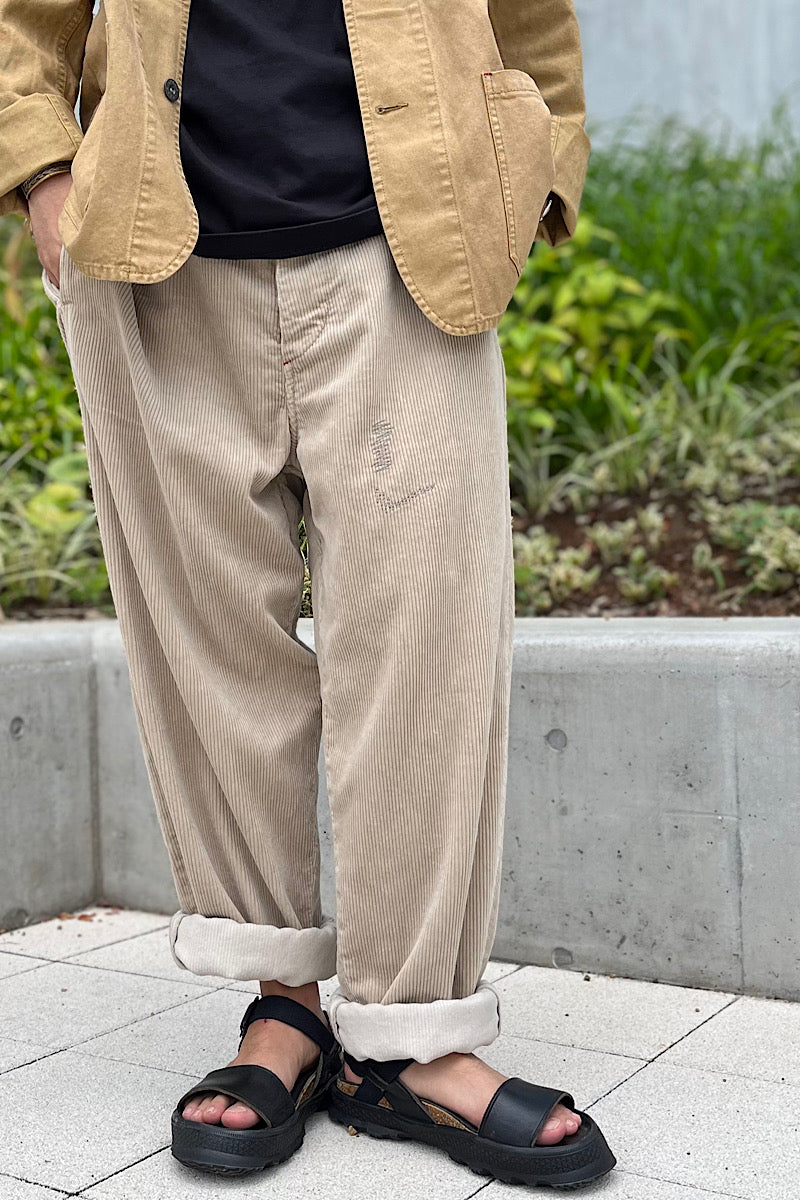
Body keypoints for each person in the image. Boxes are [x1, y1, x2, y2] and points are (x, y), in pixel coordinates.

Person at [1, 0, 616, 1187]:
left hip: (410, 244)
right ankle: (285, 1003)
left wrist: (539, 174)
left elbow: (532, 15)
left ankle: (414, 1039)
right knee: (211, 649)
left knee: (426, 647)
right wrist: (40, 171)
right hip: (155, 257)